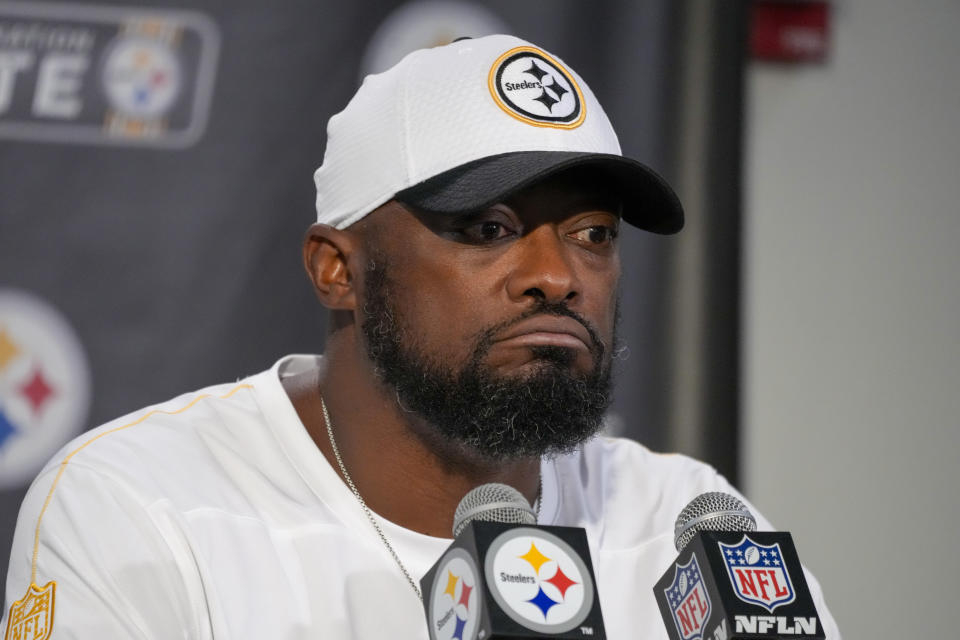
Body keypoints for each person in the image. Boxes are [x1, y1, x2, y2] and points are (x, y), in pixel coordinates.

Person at [2, 35, 840, 638]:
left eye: (593, 234)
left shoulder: (688, 525)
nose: (558, 275)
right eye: (488, 227)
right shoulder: (142, 508)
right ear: (338, 269)